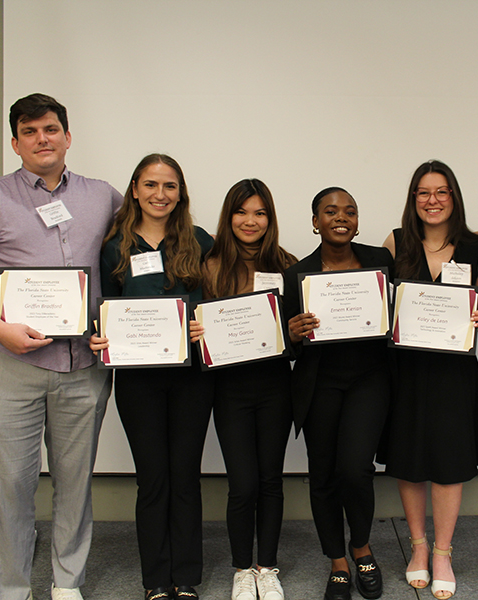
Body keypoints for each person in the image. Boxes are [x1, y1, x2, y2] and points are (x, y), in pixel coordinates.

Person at [0, 93, 123, 600]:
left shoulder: (104, 197)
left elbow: (137, 258)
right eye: (31, 131)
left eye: (51, 129)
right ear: (15, 141)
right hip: (9, 366)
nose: (43, 139)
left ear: (67, 136)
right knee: (11, 487)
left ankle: (68, 584)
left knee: (75, 484)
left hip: (82, 366)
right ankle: (13, 590)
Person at [89, 154, 213, 600]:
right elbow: (102, 308)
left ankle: (185, 578)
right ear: (135, 189)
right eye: (151, 185)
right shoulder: (114, 247)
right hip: (138, 380)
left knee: (185, 474)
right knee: (153, 478)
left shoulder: (199, 241)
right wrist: (99, 336)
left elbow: (218, 299)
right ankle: (155, 580)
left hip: (191, 378)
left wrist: (208, 323)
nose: (160, 195)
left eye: (170, 186)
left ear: (181, 193)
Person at [378, 160, 478, 600]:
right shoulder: (396, 241)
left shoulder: (476, 246)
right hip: (405, 370)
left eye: (441, 192)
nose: (432, 200)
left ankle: (443, 552)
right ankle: (419, 548)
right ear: (414, 199)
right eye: (424, 193)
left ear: (454, 197)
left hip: (452, 371)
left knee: (448, 462)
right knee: (409, 459)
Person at [283, 187, 394, 600]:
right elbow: (289, 344)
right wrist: (292, 333)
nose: (340, 217)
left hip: (369, 380)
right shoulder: (299, 274)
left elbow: (397, 318)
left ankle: (361, 546)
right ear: (315, 222)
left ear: (358, 221)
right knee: (324, 474)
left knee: (355, 468)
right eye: (330, 211)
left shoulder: (380, 262)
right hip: (319, 384)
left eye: (349, 211)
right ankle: (337, 562)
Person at [202, 179, 297, 600]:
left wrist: (295, 333)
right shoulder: (210, 265)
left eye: (260, 213)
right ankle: (242, 569)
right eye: (242, 212)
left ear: (270, 219)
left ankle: (267, 567)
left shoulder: (288, 265)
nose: (250, 221)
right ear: (229, 216)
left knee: (270, 480)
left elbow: (298, 337)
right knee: (242, 485)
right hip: (230, 392)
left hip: (276, 386)